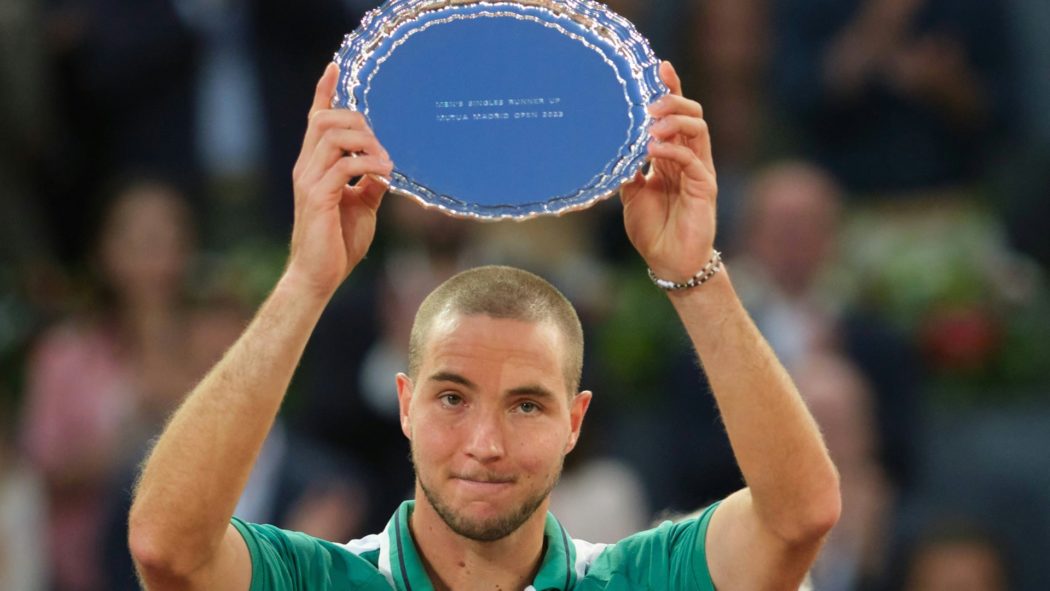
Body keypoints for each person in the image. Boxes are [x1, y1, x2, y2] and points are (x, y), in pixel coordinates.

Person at [128, 61, 840, 590]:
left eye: (527, 405)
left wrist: (693, 272)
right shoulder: (326, 578)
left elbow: (798, 517)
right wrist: (307, 280)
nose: (486, 444)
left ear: (575, 421)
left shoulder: (631, 578)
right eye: (451, 397)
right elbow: (168, 549)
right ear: (405, 404)